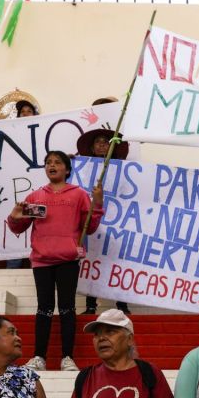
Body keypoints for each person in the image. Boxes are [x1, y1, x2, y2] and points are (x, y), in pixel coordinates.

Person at [7, 151, 102, 371]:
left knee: (67, 308)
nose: (52, 166)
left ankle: (67, 358)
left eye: (58, 162)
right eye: (48, 162)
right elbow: (18, 227)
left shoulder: (79, 195)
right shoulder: (34, 197)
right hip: (42, 260)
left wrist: (97, 204)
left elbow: (90, 227)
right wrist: (14, 216)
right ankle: (39, 357)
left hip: (68, 259)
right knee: (44, 308)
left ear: (67, 169)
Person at [75, 126, 130, 316]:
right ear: (92, 147)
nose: (101, 145)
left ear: (112, 147)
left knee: (118, 264)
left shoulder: (124, 169)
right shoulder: (83, 168)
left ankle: (122, 304)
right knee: (91, 261)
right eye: (97, 142)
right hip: (94, 221)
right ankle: (91, 305)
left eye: (105, 142)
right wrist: (71, 164)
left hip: (117, 223)